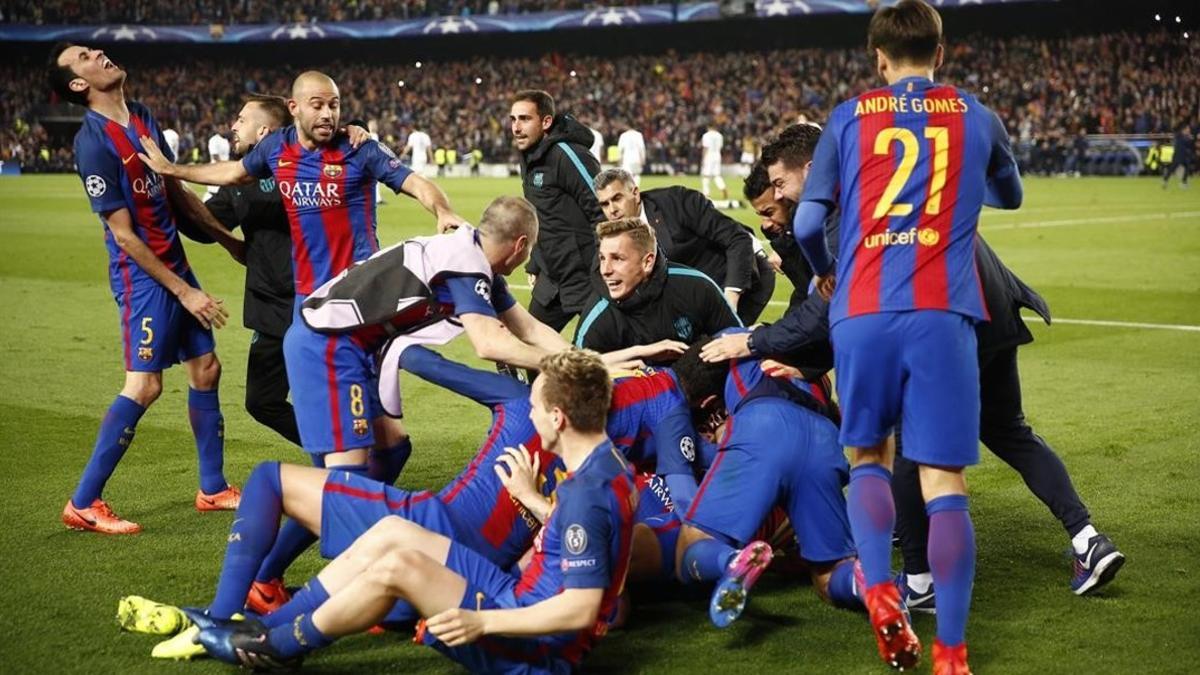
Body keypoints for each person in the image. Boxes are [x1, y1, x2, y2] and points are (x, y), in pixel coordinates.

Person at [716, 128, 1125, 603]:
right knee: (1008, 430)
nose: (780, 195)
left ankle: (918, 581)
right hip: (990, 307)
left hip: (943, 326)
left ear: (810, 169)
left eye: (781, 184)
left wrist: (753, 342)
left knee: (905, 450)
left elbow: (831, 310)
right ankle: (1087, 539)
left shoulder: (843, 210)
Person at [787, 2, 1024, 671]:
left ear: (878, 58)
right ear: (940, 54)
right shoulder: (977, 116)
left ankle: (883, 592)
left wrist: (827, 272)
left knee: (868, 457)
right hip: (942, 312)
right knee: (944, 480)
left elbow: (807, 223)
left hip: (861, 309)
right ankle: (951, 650)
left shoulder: (848, 117)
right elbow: (1011, 195)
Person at [195, 350, 637, 674]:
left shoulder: (585, 494)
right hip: (519, 594)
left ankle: (273, 647)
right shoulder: (609, 466)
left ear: (558, 417)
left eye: (537, 408)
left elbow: (579, 609)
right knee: (393, 531)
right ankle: (266, 627)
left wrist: (483, 620)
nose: (532, 416)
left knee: (399, 567)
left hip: (537, 644)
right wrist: (534, 500)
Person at [121, 345, 562, 660]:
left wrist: (403, 335)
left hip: (431, 526)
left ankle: (224, 617)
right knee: (379, 562)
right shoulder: (592, 467)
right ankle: (252, 631)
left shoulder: (522, 402)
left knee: (268, 480)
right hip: (465, 581)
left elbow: (420, 359)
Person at [49, 42, 240, 535]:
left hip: (173, 263)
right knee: (145, 383)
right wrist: (184, 292)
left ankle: (213, 488)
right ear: (78, 84)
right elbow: (123, 235)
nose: (99, 53)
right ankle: (83, 503)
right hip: (144, 278)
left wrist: (226, 242)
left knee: (206, 367)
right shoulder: (93, 141)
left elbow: (175, 189)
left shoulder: (143, 117)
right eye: (86, 57)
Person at [670, 340, 864, 627]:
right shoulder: (816, 365)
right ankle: (865, 585)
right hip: (824, 441)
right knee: (828, 575)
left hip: (764, 425)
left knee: (689, 547)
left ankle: (732, 562)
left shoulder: (730, 341)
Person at [193, 95, 301, 446]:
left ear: (265, 131)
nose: (233, 126)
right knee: (262, 401)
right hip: (269, 305)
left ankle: (362, 458)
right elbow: (205, 227)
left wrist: (355, 131)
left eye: (241, 119)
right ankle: (337, 451)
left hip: (313, 300)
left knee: (330, 391)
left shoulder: (301, 164)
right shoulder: (237, 183)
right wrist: (174, 196)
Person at [594, 167, 774, 324]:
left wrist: (730, 298)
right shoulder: (607, 233)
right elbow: (600, 276)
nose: (612, 209)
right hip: (687, 301)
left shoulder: (677, 202)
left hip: (737, 281)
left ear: (635, 193)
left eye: (617, 198)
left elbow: (737, 238)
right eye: (604, 204)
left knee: (718, 352)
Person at [573, 219, 741, 360]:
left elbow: (737, 342)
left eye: (617, 258)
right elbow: (574, 377)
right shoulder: (598, 316)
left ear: (647, 262)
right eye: (602, 258)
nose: (605, 270)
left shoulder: (696, 287)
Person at [510, 89, 604, 331]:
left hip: (587, 278)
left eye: (525, 119)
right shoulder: (530, 157)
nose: (516, 127)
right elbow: (544, 217)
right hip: (553, 279)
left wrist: (604, 266)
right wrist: (536, 263)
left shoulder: (568, 155)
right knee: (526, 347)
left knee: (596, 355)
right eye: (513, 119)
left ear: (546, 122)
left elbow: (603, 210)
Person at [700, 123, 729, 201]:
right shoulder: (720, 135)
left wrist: (703, 159)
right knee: (716, 175)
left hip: (709, 155)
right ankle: (722, 187)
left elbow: (705, 148)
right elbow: (720, 147)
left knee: (706, 175)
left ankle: (706, 193)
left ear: (709, 127)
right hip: (717, 155)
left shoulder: (706, 135)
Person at [1162, 123, 1193, 188]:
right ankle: (1165, 180)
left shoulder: (1187, 137)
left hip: (1184, 156)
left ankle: (1183, 182)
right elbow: (1176, 133)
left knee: (1187, 167)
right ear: (1184, 129)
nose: (1189, 130)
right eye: (1188, 129)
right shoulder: (1179, 135)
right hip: (1178, 156)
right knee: (1172, 169)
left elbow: (1189, 145)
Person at [205, 123, 230, 200]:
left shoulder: (226, 140)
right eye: (222, 128)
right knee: (213, 192)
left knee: (224, 193)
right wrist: (226, 165)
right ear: (217, 129)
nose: (224, 130)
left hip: (224, 169)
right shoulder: (214, 140)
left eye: (225, 128)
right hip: (216, 170)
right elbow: (215, 156)